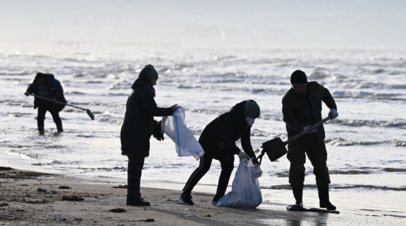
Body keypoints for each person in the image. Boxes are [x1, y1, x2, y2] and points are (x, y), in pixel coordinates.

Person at [180, 100, 261, 205]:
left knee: (228, 166)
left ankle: (218, 197)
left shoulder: (246, 123)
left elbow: (246, 142)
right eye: (251, 117)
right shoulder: (231, 117)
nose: (252, 120)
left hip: (223, 145)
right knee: (204, 166)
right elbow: (226, 138)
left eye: (254, 118)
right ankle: (185, 193)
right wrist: (238, 152)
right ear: (245, 113)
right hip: (208, 142)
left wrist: (253, 158)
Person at [120, 64, 178, 206]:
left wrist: (154, 125)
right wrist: (170, 110)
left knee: (135, 167)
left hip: (133, 134)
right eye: (154, 79)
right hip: (135, 135)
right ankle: (133, 198)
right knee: (136, 167)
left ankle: (134, 196)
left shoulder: (137, 91)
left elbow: (143, 114)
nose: (155, 82)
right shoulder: (143, 92)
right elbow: (152, 110)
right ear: (148, 79)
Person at [282, 70, 339, 210]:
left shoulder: (316, 88)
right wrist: (302, 128)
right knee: (297, 169)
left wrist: (333, 108)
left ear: (306, 84)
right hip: (297, 139)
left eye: (299, 86)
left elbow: (326, 95)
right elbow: (288, 119)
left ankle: (325, 201)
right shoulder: (288, 99)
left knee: (321, 168)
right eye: (294, 86)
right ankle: (298, 202)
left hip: (316, 138)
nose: (297, 89)